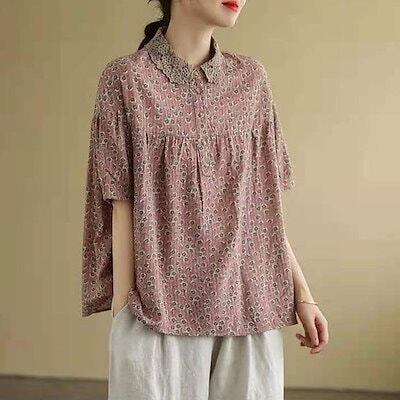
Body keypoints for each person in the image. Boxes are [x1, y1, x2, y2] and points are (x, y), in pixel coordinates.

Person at [81, 1, 329, 399]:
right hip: (158, 309)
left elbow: (262, 212)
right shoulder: (126, 79)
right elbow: (119, 200)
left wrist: (304, 295)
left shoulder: (251, 81)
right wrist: (124, 312)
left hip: (249, 307)